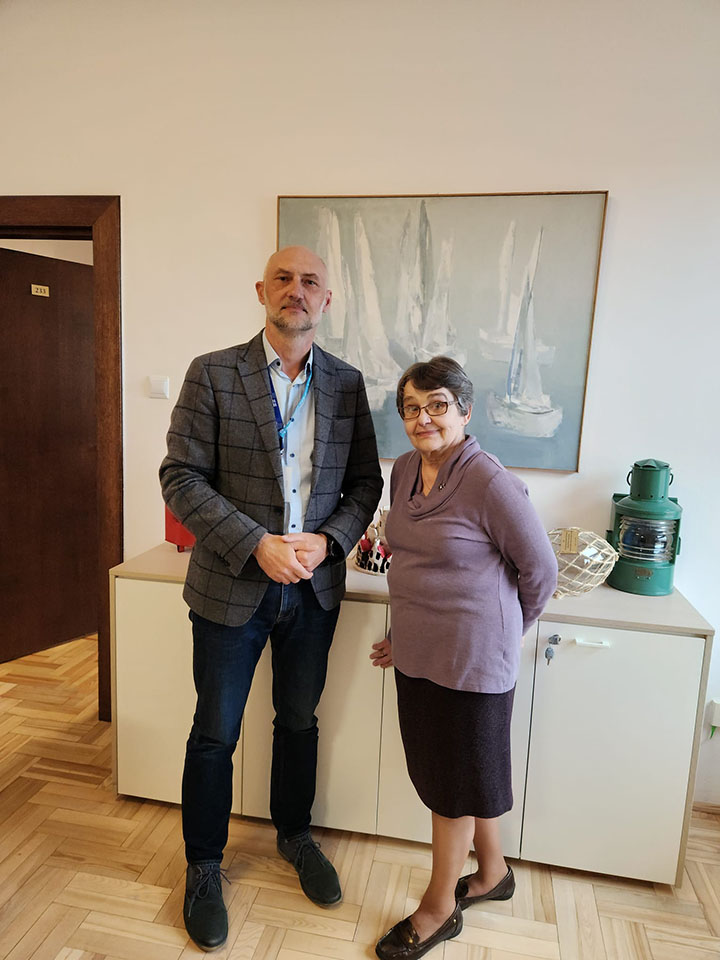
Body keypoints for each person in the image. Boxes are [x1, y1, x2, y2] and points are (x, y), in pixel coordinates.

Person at [160, 246, 382, 952]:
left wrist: (330, 540)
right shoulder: (212, 372)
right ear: (262, 290)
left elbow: (365, 484)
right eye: (283, 278)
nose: (296, 290)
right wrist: (256, 542)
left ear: (326, 300)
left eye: (310, 282)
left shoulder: (347, 384)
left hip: (313, 592)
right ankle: (203, 866)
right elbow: (180, 477)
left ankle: (294, 835)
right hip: (231, 587)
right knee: (215, 732)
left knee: (299, 722)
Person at [370, 357, 557, 960]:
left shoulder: (490, 482)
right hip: (418, 654)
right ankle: (492, 873)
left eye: (437, 405)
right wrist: (401, 635)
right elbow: (411, 564)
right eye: (412, 408)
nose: (423, 418)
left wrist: (504, 632)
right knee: (459, 772)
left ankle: (438, 909)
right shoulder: (404, 471)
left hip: (473, 662)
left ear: (465, 411)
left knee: (450, 787)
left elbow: (541, 570)